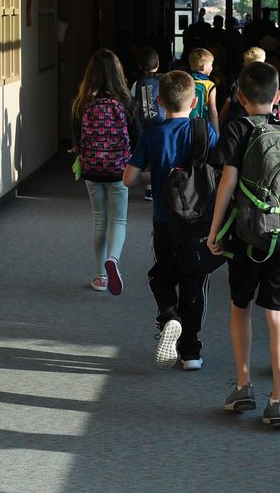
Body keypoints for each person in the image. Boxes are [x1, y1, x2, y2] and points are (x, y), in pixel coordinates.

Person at [207, 61, 280, 428]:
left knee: (240, 306)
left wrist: (214, 232)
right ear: (278, 96)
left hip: (249, 236)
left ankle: (244, 385)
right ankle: (279, 399)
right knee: (277, 315)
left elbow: (227, 186)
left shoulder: (237, 130)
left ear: (240, 97)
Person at [123, 71, 218, 369]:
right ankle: (191, 350)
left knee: (161, 275)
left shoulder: (153, 135)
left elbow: (129, 179)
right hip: (199, 222)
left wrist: (159, 176)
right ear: (194, 102)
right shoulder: (205, 132)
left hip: (165, 221)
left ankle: (169, 316)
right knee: (195, 281)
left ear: (160, 101)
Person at [71, 49, 134, 295]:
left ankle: (101, 277)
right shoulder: (125, 103)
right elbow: (135, 137)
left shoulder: (81, 103)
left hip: (92, 169)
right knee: (118, 220)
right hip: (119, 170)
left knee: (100, 219)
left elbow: (77, 140)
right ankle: (113, 260)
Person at [130, 46, 164, 201]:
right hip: (162, 124)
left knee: (148, 156)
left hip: (143, 125)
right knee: (160, 155)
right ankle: (155, 186)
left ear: (139, 66)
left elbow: (132, 104)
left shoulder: (137, 84)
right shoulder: (163, 81)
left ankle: (149, 188)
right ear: (158, 64)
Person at [220, 46, 266, 127]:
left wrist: (219, 122)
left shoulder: (238, 83)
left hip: (239, 123)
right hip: (260, 124)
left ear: (246, 66)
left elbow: (229, 102)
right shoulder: (266, 82)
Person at [188, 47, 220, 133]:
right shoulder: (209, 85)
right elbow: (212, 111)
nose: (212, 67)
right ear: (203, 67)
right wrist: (216, 132)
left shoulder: (185, 80)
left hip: (186, 124)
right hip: (202, 125)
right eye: (211, 65)